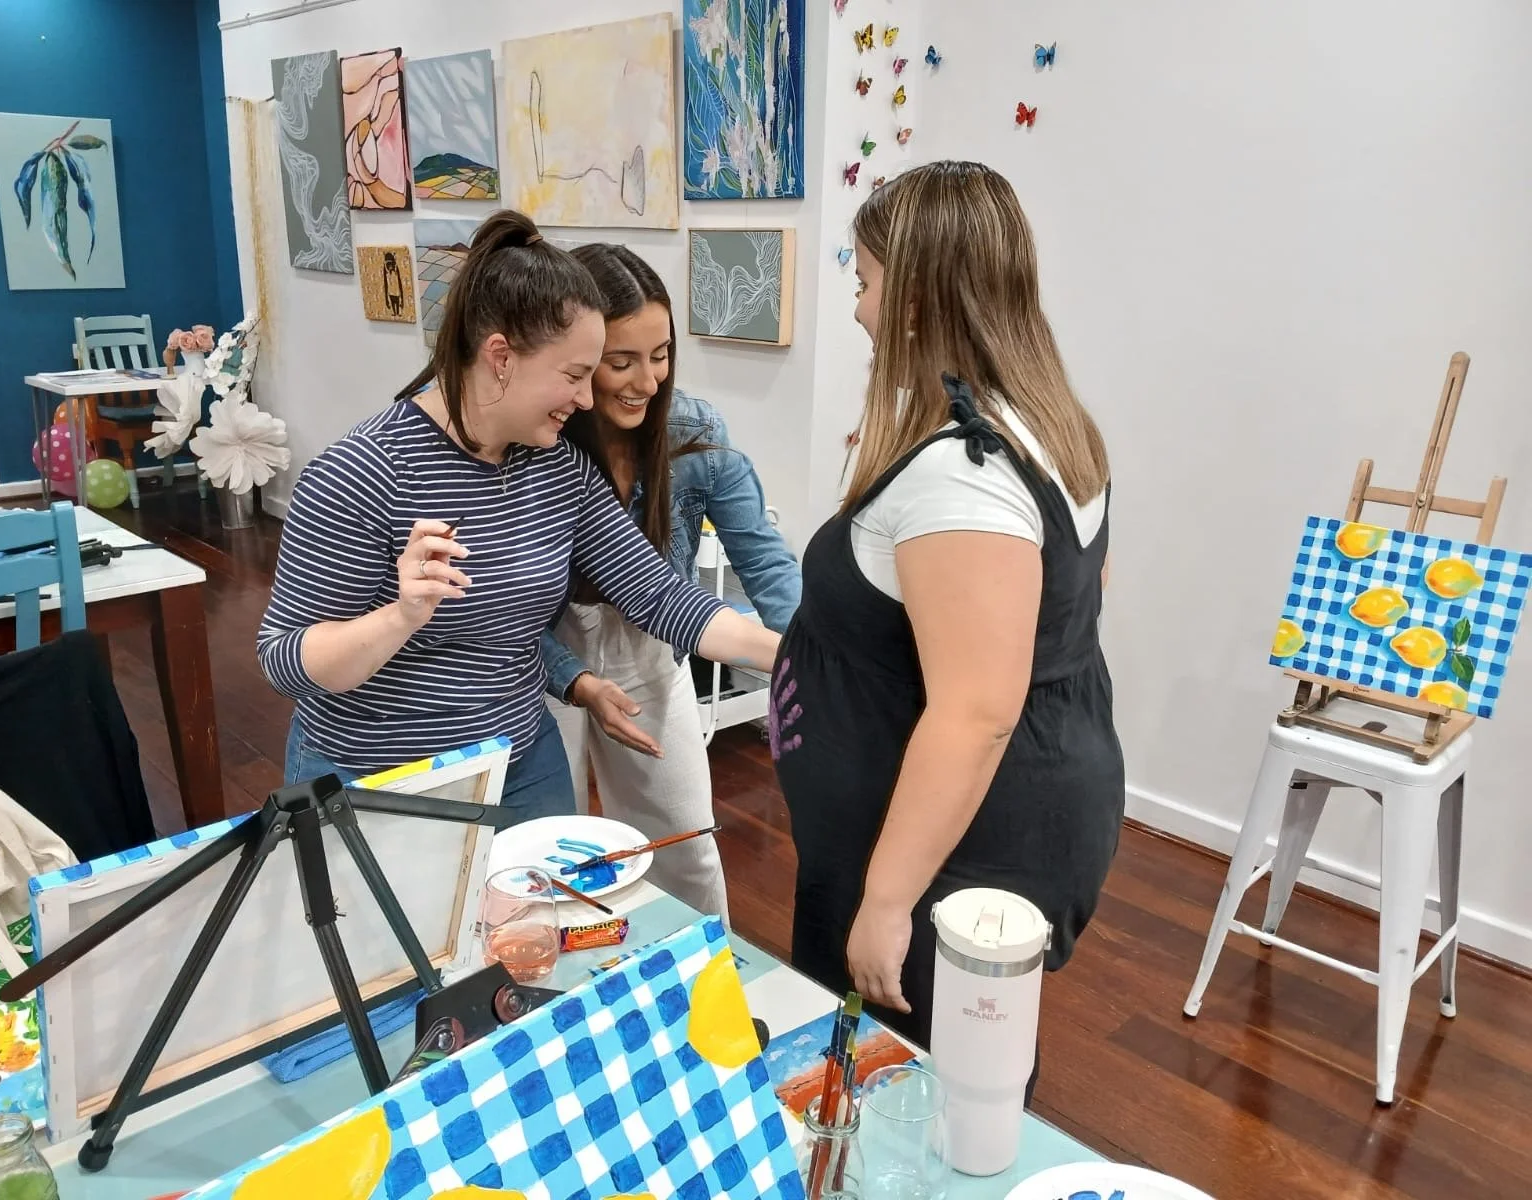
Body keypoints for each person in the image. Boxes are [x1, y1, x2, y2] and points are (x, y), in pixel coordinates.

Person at [771, 161, 1124, 1080]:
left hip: (945, 855)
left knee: (924, 1086)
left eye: (866, 281)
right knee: (969, 1058)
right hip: (1003, 812)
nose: (858, 310)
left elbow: (977, 710)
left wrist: (889, 903)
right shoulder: (1050, 426)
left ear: (919, 297)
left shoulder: (964, 476)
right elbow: (1066, 619)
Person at [258, 210, 780, 824]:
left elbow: (661, 596)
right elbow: (285, 661)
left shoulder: (557, 468)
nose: (587, 401)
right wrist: (401, 616)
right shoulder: (364, 471)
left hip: (520, 760)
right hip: (380, 772)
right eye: (575, 375)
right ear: (501, 357)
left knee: (540, 918)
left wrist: (800, 658)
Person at [542, 244, 801, 919]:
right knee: (551, 848)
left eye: (661, 356)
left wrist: (807, 651)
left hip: (653, 647)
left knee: (685, 839)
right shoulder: (542, 440)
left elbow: (762, 561)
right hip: (540, 657)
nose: (646, 381)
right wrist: (572, 677)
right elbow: (503, 612)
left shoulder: (692, 430)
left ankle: (695, 971)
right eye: (621, 361)